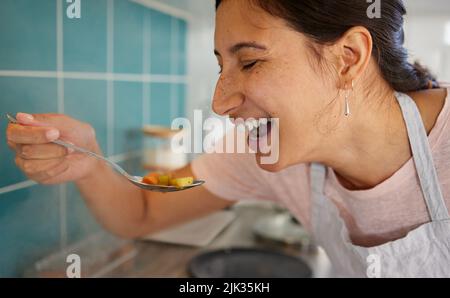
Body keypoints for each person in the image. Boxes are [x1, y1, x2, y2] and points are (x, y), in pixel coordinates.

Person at [6, 0, 450, 277]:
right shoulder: (263, 149)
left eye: (251, 63)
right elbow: (140, 212)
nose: (221, 103)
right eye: (222, 66)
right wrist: (90, 161)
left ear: (348, 58)